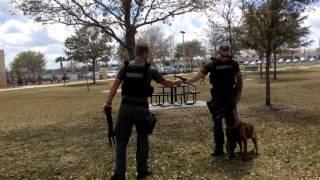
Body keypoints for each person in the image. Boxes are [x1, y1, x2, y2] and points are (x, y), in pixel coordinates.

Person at [104, 44, 182, 180]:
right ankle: (142, 171)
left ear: (136, 52)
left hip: (126, 108)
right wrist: (176, 82)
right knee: (142, 138)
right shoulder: (150, 69)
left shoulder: (126, 67)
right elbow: (165, 83)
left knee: (121, 141)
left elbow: (115, 85)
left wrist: (108, 102)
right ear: (145, 52)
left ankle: (119, 174)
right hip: (142, 109)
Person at [185, 45, 243, 159]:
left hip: (220, 98)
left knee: (219, 124)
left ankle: (221, 149)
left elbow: (198, 76)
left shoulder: (212, 64)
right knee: (228, 124)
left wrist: (189, 80)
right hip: (228, 97)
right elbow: (239, 79)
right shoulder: (231, 63)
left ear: (219, 51)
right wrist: (239, 94)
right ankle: (228, 150)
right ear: (225, 52)